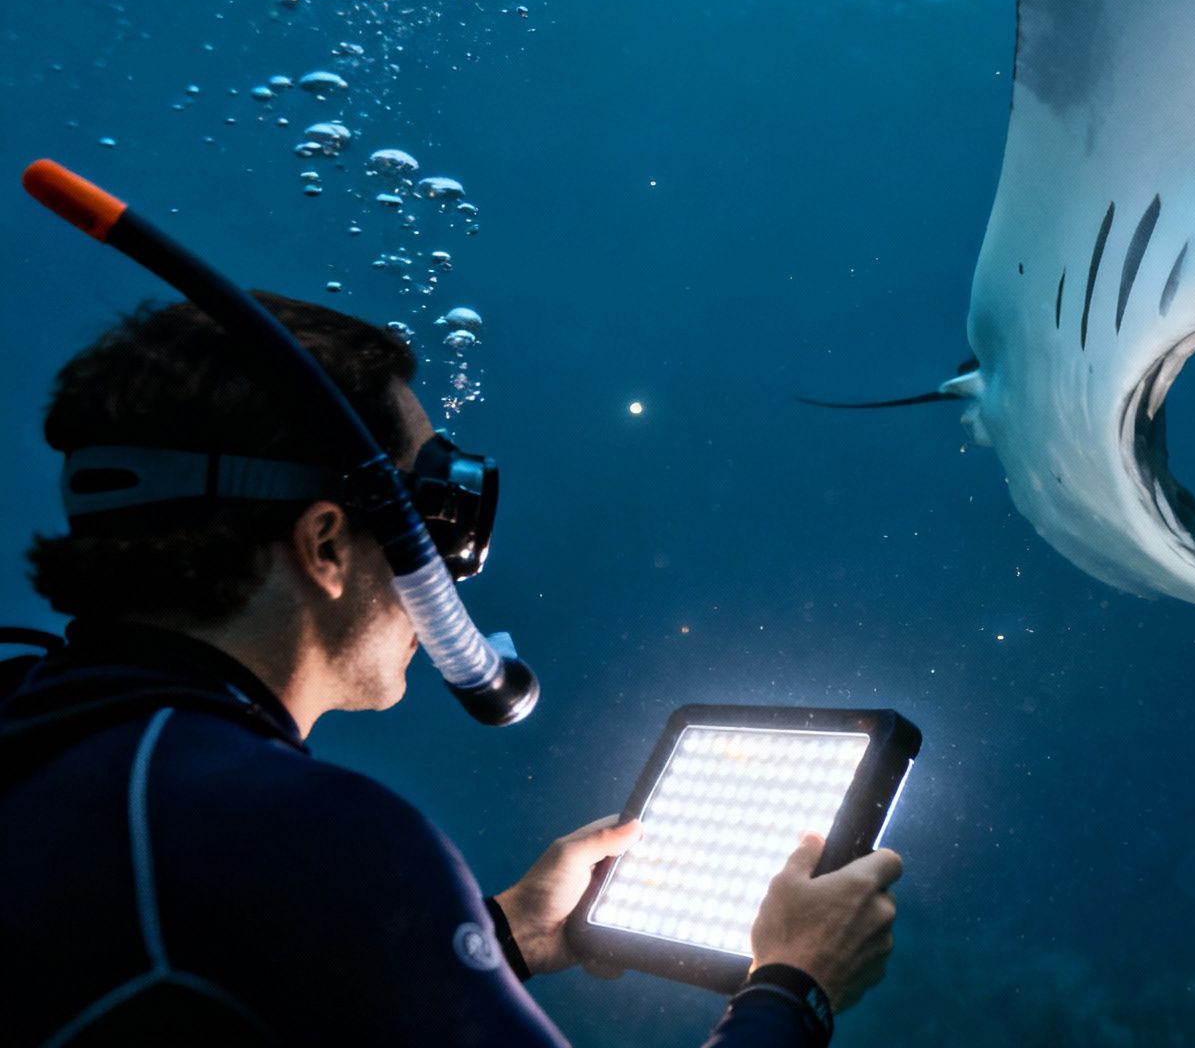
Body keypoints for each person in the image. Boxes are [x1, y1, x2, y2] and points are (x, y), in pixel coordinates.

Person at [0, 295, 902, 1046]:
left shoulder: (47, 741)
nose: (449, 568)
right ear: (324, 544)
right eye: (428, 512)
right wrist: (794, 984)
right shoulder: (303, 832)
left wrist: (494, 936)